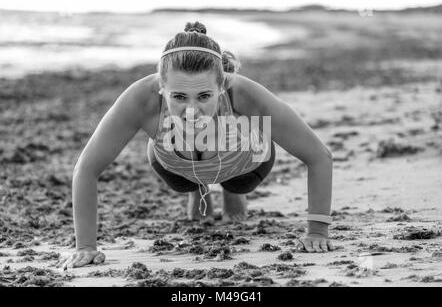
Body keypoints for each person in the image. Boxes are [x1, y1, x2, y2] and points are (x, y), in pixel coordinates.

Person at [56, 21, 334, 269]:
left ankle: (231, 188)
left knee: (238, 190)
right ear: (161, 87)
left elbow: (318, 156)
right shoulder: (140, 99)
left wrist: (318, 231)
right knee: (194, 206)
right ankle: (197, 188)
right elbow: (87, 168)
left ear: (222, 85)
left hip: (245, 161)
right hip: (177, 165)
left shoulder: (244, 93)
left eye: (203, 96)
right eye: (178, 96)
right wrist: (86, 247)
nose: (191, 110)